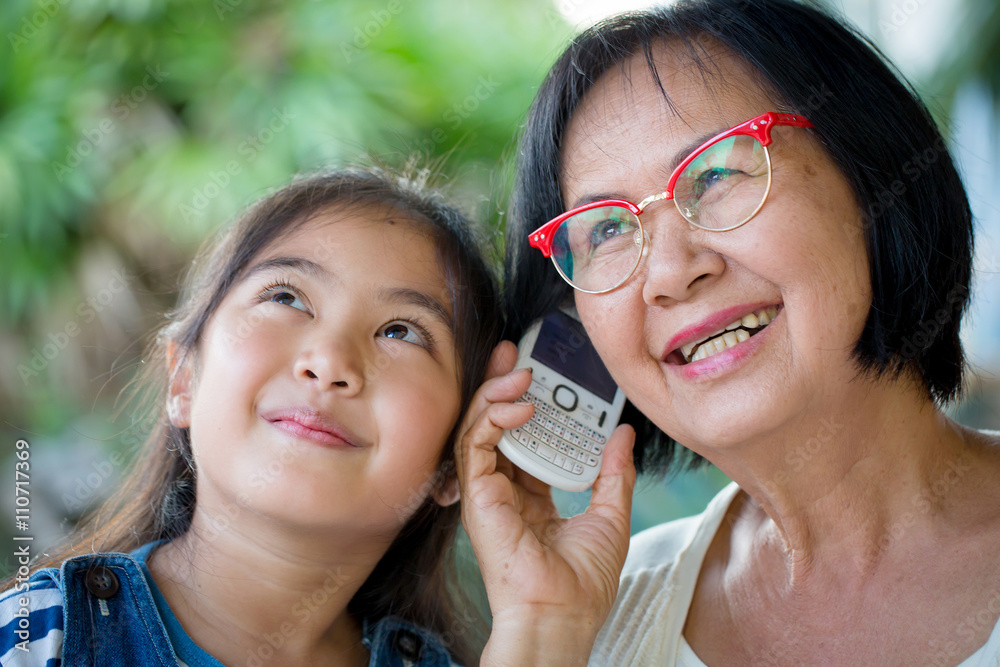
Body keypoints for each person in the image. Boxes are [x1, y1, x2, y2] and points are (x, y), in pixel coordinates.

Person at [485, 0, 1000, 664]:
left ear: (871, 170)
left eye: (719, 172)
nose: (670, 273)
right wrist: (540, 629)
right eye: (607, 229)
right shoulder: (584, 617)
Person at [0, 167, 503, 666]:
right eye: (285, 297)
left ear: (454, 459)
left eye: (401, 332)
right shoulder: (35, 640)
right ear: (183, 380)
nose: (329, 364)